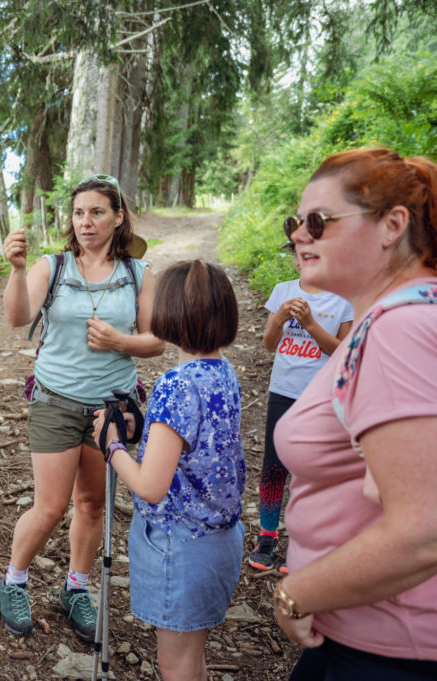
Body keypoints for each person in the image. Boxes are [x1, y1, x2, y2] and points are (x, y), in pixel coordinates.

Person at [271, 147, 437, 679]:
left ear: (392, 226)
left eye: (319, 221)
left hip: (391, 647)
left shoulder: (399, 331)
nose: (300, 234)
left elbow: (423, 530)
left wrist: (296, 592)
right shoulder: (388, 318)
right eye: (296, 221)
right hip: (361, 632)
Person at [0, 175, 164, 640]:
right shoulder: (52, 267)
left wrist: (121, 341)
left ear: (118, 217)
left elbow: (157, 341)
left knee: (92, 504)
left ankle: (76, 587)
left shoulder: (139, 275)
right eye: (78, 213)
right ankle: (13, 580)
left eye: (96, 212)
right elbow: (16, 318)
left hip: (110, 409)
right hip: (55, 401)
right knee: (50, 507)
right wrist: (15, 269)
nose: (86, 221)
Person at [95, 260, 244, 681]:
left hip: (180, 545)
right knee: (191, 654)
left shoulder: (177, 383)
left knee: (175, 664)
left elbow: (150, 486)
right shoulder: (224, 373)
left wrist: (112, 447)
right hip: (220, 539)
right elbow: (191, 448)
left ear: (169, 314)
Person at [248, 248, 353, 573]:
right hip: (283, 391)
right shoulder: (283, 290)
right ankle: (267, 535)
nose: (303, 259)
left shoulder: (343, 299)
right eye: (298, 254)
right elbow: (269, 343)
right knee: (274, 464)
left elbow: (343, 353)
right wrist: (279, 319)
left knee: (312, 469)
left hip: (320, 397)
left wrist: (309, 324)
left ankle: (305, 542)